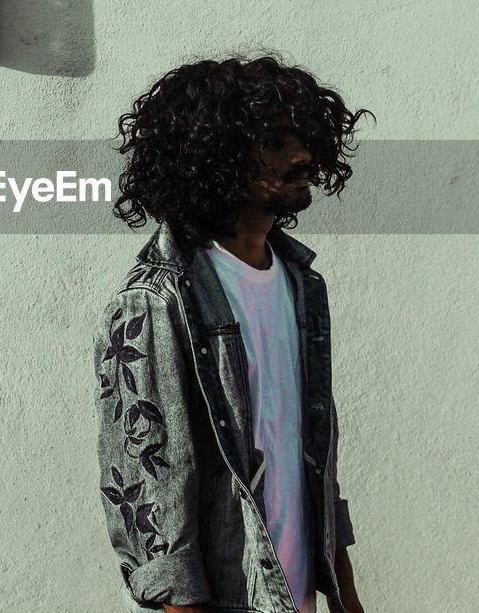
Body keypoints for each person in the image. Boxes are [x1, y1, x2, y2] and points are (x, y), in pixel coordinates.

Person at [94, 54, 373, 613]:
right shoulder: (156, 301)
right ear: (213, 157)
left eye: (304, 135)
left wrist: (346, 598)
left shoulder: (300, 285)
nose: (302, 155)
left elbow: (312, 462)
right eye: (274, 141)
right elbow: (152, 514)